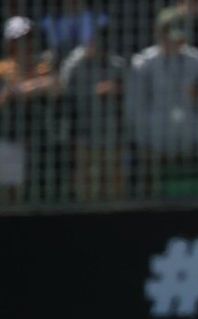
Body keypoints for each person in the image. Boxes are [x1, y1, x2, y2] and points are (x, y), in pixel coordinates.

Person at [126, 7, 198, 195]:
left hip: (188, 142)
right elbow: (136, 108)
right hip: (154, 145)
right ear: (159, 34)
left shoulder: (197, 61)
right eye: (170, 37)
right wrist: (144, 142)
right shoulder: (143, 64)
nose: (176, 43)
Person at [60, 25, 126, 200]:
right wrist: (92, 91)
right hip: (84, 132)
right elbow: (63, 91)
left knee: (112, 181)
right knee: (86, 182)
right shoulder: (75, 63)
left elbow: (130, 93)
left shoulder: (116, 64)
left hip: (111, 133)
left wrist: (117, 89)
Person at [0, 16, 58, 201]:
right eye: (20, 41)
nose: (26, 45)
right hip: (10, 138)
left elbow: (55, 86)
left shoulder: (43, 67)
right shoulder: (3, 69)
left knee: (37, 192)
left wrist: (20, 90)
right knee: (10, 192)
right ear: (11, 44)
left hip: (38, 139)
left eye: (29, 39)